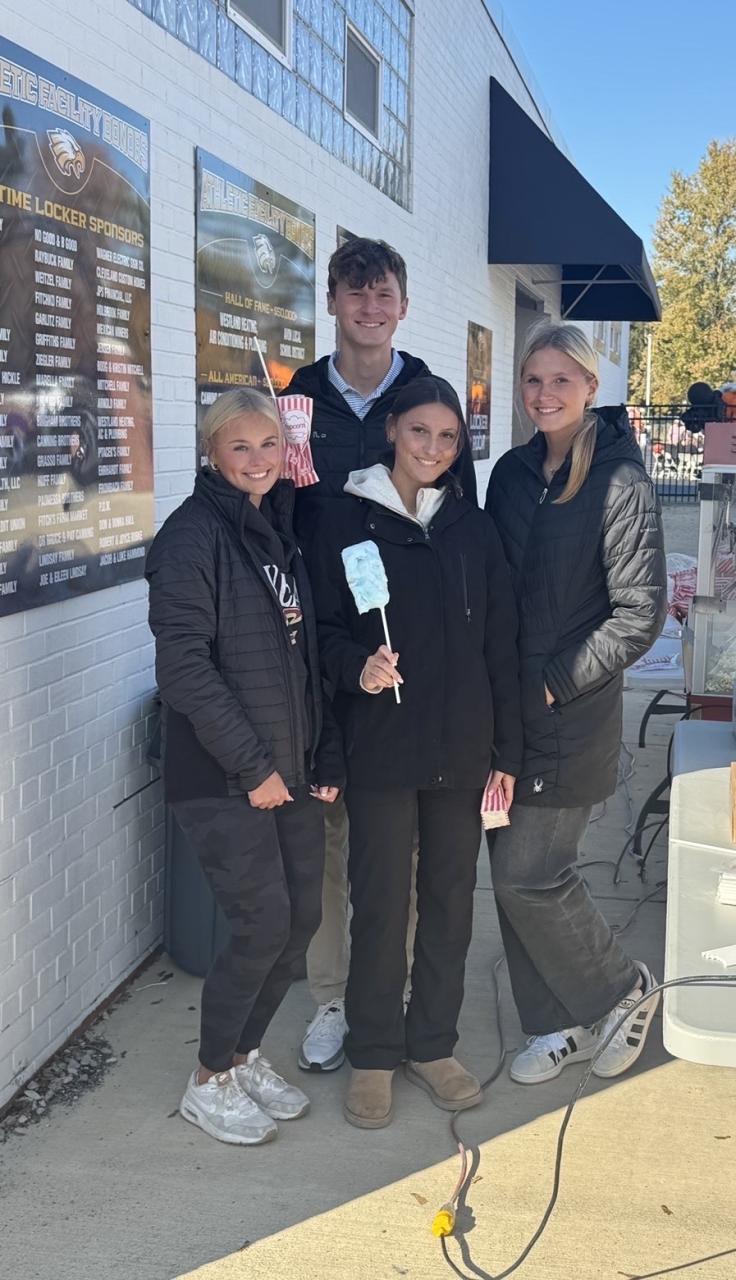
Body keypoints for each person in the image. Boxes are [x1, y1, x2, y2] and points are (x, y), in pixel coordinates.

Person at [303, 375, 521, 1128]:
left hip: (461, 748)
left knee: (450, 905)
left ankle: (432, 1045)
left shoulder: (472, 529)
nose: (432, 447)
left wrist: (506, 749)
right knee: (380, 904)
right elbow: (324, 631)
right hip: (382, 747)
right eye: (420, 430)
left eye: (448, 437)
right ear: (392, 429)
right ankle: (372, 1053)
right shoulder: (345, 519)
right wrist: (356, 668)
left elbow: (501, 644)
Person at [287, 237, 475, 1076]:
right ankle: (335, 995)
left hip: (405, 652)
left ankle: (388, 992)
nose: (370, 307)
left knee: (402, 843)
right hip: (320, 640)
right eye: (355, 292)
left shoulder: (423, 395)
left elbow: (458, 528)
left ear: (402, 304)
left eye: (383, 293)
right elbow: (277, 510)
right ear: (332, 300)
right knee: (330, 829)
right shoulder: (298, 400)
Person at [145, 389, 343, 1146]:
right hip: (226, 775)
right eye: (239, 446)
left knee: (300, 922)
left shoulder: (276, 528)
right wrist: (256, 766)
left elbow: (301, 659)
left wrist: (318, 756)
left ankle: (243, 1055)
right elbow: (185, 670)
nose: (258, 460)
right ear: (211, 453)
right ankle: (208, 1080)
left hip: (288, 770)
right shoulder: (191, 537)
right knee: (261, 925)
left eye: (269, 445)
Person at [485, 322, 668, 1086]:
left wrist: (555, 680)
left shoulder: (619, 481)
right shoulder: (509, 474)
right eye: (533, 379)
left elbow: (640, 612)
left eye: (562, 379)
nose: (544, 394)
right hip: (501, 711)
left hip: (568, 714)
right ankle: (554, 1024)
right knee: (508, 874)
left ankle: (621, 988)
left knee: (532, 874)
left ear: (592, 386)